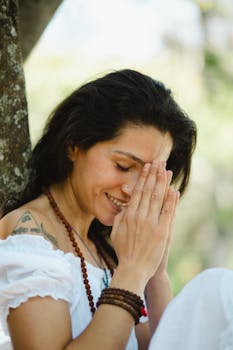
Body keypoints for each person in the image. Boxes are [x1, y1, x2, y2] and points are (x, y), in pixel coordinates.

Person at [0, 69, 196, 350]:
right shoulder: (29, 232)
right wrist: (132, 271)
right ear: (74, 145)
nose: (132, 189)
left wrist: (155, 271)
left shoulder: (104, 247)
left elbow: (162, 346)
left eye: (148, 176)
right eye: (123, 166)